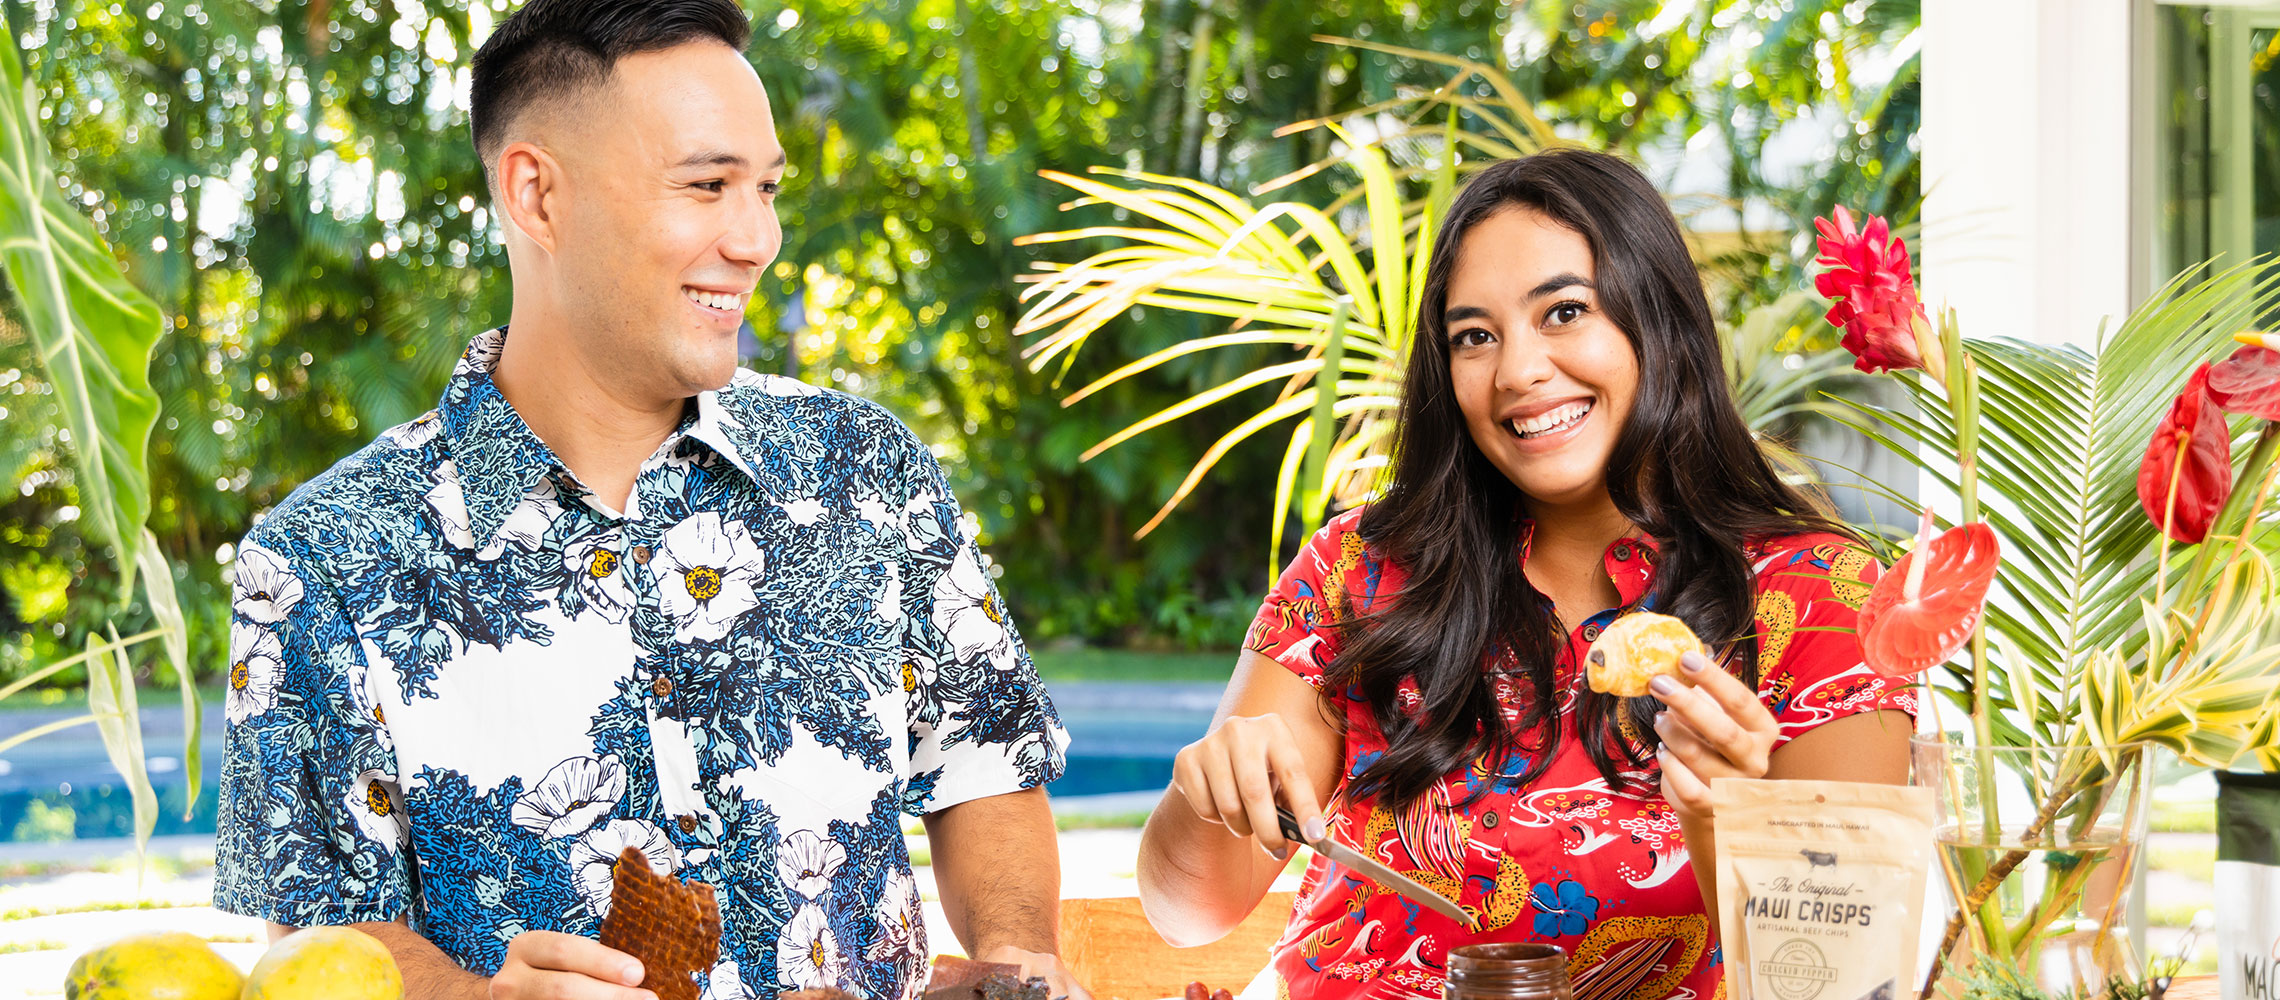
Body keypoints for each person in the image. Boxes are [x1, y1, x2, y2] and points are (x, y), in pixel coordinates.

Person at [211, 2, 1082, 998]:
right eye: (707, 186)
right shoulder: (315, 558)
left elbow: (987, 771)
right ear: (536, 195)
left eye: (764, 190)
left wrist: (1020, 963)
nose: (756, 239)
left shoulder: (868, 468)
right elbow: (326, 945)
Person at [1133, 149, 1916, 1000]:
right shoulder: (1359, 563)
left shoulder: (1824, 594)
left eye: (1565, 312)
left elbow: (1852, 977)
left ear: (1660, 320)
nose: (1517, 371)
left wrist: (1721, 821)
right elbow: (1189, 912)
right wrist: (1203, 793)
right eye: (1475, 335)